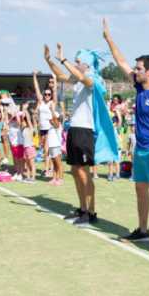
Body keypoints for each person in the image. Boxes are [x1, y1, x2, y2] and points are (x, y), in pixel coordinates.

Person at [104, 18, 149, 253]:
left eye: (139, 68)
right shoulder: (140, 87)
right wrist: (109, 39)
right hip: (140, 150)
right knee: (140, 190)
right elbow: (121, 62)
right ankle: (143, 230)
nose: (135, 71)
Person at [43, 42, 120, 226]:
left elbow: (80, 76)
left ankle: (91, 212)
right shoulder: (78, 80)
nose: (75, 64)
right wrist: (49, 61)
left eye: (78, 61)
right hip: (74, 129)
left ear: (87, 64)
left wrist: (63, 59)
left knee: (84, 173)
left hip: (85, 131)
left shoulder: (92, 80)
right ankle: (82, 208)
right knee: (75, 170)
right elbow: (62, 76)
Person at [33, 71, 57, 177]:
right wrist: (34, 76)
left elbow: (55, 91)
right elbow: (36, 88)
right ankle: (51, 168)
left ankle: (46, 170)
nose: (47, 95)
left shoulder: (52, 103)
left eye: (49, 94)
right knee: (44, 150)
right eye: (45, 94)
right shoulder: (41, 102)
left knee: (47, 150)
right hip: (41, 129)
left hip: (50, 129)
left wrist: (55, 79)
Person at [45, 112, 65, 186]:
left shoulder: (58, 125)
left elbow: (55, 120)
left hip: (56, 147)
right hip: (52, 147)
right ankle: (54, 178)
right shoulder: (51, 127)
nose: (49, 120)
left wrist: (52, 110)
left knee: (59, 164)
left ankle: (61, 179)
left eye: (51, 119)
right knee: (54, 164)